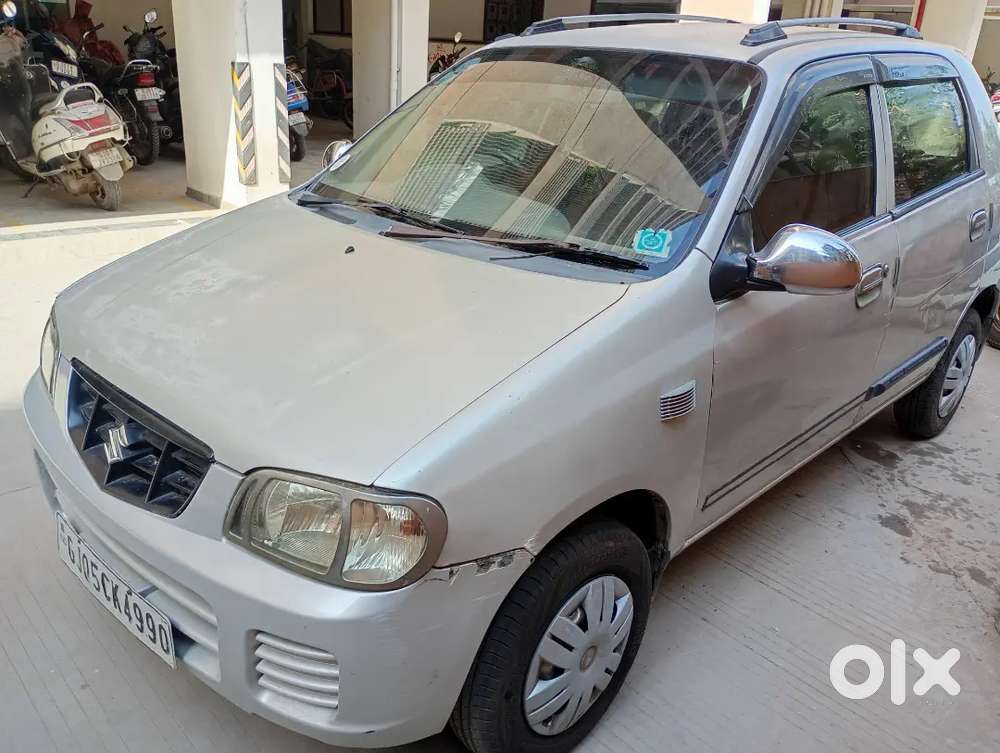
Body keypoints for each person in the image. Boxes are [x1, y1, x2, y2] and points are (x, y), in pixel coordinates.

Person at [59, 0, 123, 64]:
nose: (86, 12)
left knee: (108, 45)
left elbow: (93, 37)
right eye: (84, 10)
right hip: (80, 50)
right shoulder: (69, 24)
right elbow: (71, 40)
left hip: (91, 48)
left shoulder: (87, 22)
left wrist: (94, 44)